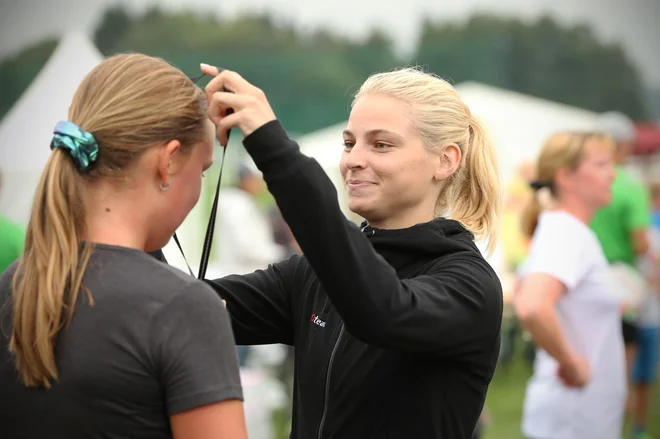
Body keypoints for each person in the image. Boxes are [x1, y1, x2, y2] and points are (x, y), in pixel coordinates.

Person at [196, 64, 503, 438]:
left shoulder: (467, 284)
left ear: (445, 160)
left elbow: (382, 310)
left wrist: (273, 148)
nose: (353, 159)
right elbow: (178, 302)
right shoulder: (311, 275)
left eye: (381, 144)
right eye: (349, 142)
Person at [0, 54, 247, 439]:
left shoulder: (13, 284)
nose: (200, 185)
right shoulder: (181, 308)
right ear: (167, 163)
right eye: (202, 169)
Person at [515, 132, 625, 439]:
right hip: (572, 417)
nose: (613, 173)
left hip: (579, 415)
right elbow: (533, 306)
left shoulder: (564, 229)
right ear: (565, 176)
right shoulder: (565, 231)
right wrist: (571, 362)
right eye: (602, 164)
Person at [589, 111, 651, 381]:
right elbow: (640, 243)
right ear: (624, 144)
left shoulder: (583, 179)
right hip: (621, 280)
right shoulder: (630, 185)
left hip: (586, 276)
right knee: (618, 369)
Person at [629, 180, 660, 439]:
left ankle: (638, 426)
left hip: (649, 316)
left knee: (644, 377)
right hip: (635, 314)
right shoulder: (638, 232)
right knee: (631, 374)